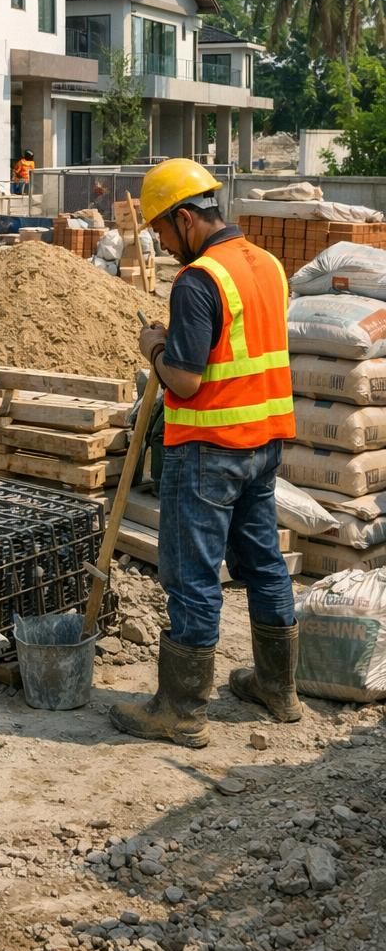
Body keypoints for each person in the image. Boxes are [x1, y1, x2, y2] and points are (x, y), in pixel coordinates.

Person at [110, 159, 298, 750]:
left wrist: (154, 349)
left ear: (187, 219)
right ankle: (277, 688)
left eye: (165, 232)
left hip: (210, 447)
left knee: (192, 577)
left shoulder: (199, 281)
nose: (165, 247)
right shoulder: (267, 263)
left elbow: (186, 381)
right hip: (264, 443)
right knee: (263, 562)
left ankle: (181, 710)